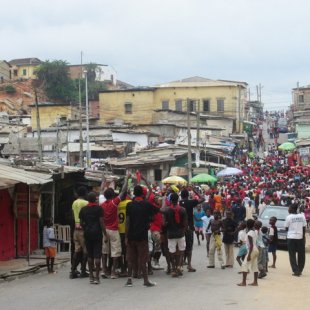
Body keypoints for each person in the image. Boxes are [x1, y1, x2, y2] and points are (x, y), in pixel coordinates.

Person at [125, 184, 158, 287]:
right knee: (143, 258)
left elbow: (128, 222)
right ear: (143, 194)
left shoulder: (129, 205)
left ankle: (129, 280)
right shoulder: (146, 204)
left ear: (134, 193)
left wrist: (126, 237)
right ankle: (145, 280)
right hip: (142, 235)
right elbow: (156, 212)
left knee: (131, 258)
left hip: (131, 235)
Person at [101, 175, 129, 279]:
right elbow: (123, 192)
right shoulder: (114, 203)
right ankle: (113, 272)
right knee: (116, 252)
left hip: (104, 230)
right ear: (113, 195)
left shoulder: (102, 204)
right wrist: (126, 179)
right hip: (114, 230)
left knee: (104, 252)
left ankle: (104, 270)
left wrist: (103, 181)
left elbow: (100, 193)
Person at [79, 192, 106, 285]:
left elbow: (81, 223)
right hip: (97, 233)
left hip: (87, 233)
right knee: (97, 255)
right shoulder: (99, 209)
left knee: (90, 255)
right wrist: (105, 233)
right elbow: (101, 222)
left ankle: (91, 276)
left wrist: (85, 229)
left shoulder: (83, 209)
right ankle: (97, 277)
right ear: (95, 199)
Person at [162, 192, 187, 278]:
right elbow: (185, 223)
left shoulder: (167, 210)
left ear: (170, 200)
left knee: (171, 252)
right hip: (180, 233)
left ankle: (173, 268)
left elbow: (164, 224)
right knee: (181, 250)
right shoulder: (183, 210)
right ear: (178, 199)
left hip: (171, 234)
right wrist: (183, 232)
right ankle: (179, 266)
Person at [179, 188, 205, 272]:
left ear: (181, 196)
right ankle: (189, 265)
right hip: (189, 227)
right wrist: (195, 191)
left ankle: (181, 264)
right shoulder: (191, 202)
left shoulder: (179, 203)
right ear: (188, 195)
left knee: (181, 247)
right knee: (189, 247)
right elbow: (203, 198)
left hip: (180, 228)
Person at [70, 186, 89, 279]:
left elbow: (73, 216)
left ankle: (73, 271)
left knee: (76, 250)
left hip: (75, 229)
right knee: (85, 250)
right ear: (85, 193)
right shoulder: (86, 203)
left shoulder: (74, 203)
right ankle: (83, 270)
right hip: (83, 229)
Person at [285, 205, 307, 277]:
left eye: (289, 208)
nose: (288, 209)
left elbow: (286, 228)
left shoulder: (288, 217)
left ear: (291, 209)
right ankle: (300, 270)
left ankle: (296, 270)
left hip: (291, 238)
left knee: (292, 255)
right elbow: (304, 228)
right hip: (300, 237)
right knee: (301, 254)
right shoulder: (302, 216)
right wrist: (303, 237)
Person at [237, 219, 259, 287]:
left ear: (247, 225)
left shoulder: (249, 233)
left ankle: (243, 282)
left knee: (245, 264)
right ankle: (255, 282)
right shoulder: (254, 232)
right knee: (254, 266)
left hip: (252, 250)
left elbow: (251, 245)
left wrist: (249, 254)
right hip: (256, 250)